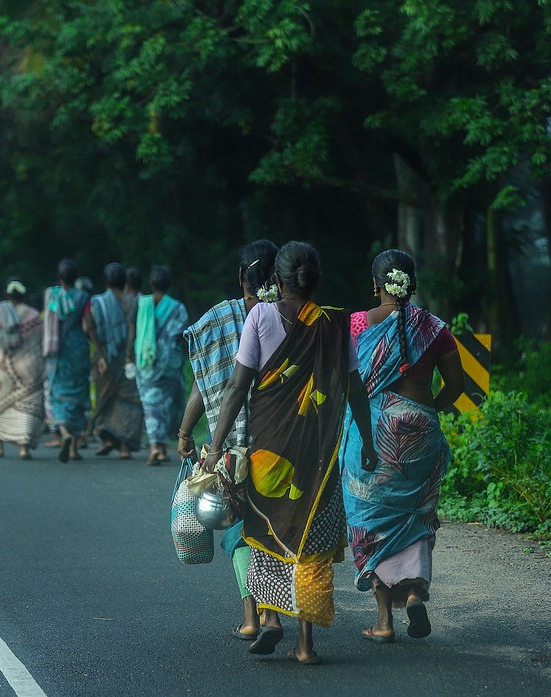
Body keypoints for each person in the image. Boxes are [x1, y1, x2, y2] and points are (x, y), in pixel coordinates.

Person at [203, 241, 378, 665]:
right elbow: (355, 389)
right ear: (315, 279)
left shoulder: (260, 316)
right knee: (310, 539)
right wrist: (368, 442)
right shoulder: (334, 324)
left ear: (277, 281)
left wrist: (216, 447)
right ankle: (304, 645)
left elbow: (237, 387)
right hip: (317, 455)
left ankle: (271, 619)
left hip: (269, 450)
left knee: (268, 532)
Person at [340, 249, 465, 643]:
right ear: (412, 284)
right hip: (422, 434)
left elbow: (344, 382)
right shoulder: (435, 328)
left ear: (376, 285)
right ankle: (412, 593)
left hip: (373, 434)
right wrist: (425, 413)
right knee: (415, 517)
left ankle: (383, 622)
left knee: (371, 521)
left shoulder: (357, 325)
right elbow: (457, 386)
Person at [177, 240, 279, 642]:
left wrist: (187, 432)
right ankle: (274, 613)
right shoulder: (291, 317)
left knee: (238, 529)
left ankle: (252, 616)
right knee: (274, 527)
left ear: (241, 277)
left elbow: (203, 383)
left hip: (232, 447)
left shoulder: (217, 320)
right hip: (282, 443)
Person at [43, 259, 107, 462]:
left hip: (57, 352)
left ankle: (64, 433)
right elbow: (89, 327)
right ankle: (73, 448)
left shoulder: (52, 295)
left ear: (58, 277)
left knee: (58, 394)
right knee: (78, 395)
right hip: (78, 350)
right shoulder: (83, 297)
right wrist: (100, 352)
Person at [0, 278, 45, 459]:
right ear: (24, 294)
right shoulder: (35, 316)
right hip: (30, 366)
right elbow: (41, 342)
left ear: (6, 294)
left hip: (3, 366)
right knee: (27, 405)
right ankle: (23, 448)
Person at [128, 265, 188, 466]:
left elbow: (132, 331)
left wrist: (129, 356)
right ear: (168, 284)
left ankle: (156, 447)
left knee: (150, 405)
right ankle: (160, 448)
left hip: (146, 362)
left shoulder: (141, 304)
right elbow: (182, 336)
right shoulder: (177, 308)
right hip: (169, 364)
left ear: (151, 284)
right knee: (165, 405)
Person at [90, 263, 144, 459]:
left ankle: (106, 439)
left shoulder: (97, 302)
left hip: (104, 359)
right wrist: (129, 355)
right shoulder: (133, 302)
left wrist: (101, 354)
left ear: (106, 282)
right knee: (128, 401)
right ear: (124, 282)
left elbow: (90, 329)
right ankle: (124, 446)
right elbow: (132, 330)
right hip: (127, 359)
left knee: (105, 398)